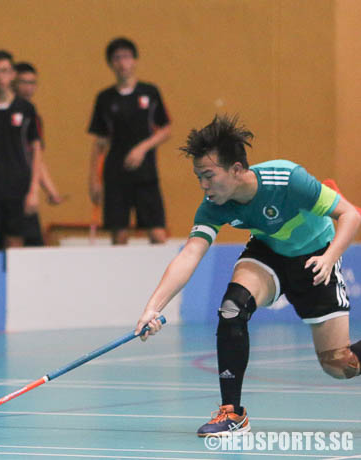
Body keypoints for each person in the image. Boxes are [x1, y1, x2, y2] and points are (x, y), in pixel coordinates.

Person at [135, 115, 361, 437]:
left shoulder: (287, 179)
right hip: (268, 253)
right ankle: (233, 413)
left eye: (209, 176)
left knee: (339, 364)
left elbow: (349, 214)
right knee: (232, 308)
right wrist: (152, 307)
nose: (203, 185)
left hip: (316, 257)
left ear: (238, 169)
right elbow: (189, 255)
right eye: (199, 177)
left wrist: (329, 258)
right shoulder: (215, 205)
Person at [88, 37, 171, 245]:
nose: (122, 63)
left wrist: (142, 148)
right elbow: (99, 142)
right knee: (119, 235)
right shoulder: (105, 98)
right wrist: (94, 180)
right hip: (116, 175)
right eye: (116, 58)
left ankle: (163, 277)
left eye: (126, 57)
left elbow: (166, 129)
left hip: (146, 174)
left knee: (157, 234)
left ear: (134, 60)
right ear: (110, 63)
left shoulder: (149, 92)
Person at [0, 50, 42, 250]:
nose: (0, 77)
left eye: (4, 71)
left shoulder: (27, 109)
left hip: (19, 186)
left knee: (15, 244)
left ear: (13, 74)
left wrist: (34, 190)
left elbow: (36, 150)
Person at [12, 61, 64, 246]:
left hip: (26, 189)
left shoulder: (32, 117)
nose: (28, 88)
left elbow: (36, 157)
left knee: (33, 244)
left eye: (32, 83)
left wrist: (49, 189)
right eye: (23, 82)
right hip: (3, 189)